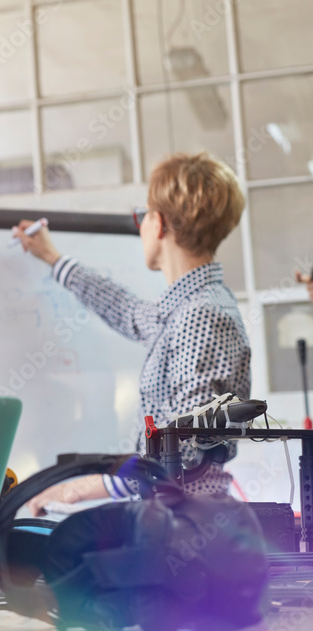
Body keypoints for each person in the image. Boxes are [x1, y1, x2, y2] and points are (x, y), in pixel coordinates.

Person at [13, 152, 250, 514]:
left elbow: (185, 447)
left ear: (159, 224)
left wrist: (92, 486)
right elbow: (127, 311)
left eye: (143, 215)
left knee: (63, 549)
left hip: (186, 525)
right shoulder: (187, 308)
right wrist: (53, 258)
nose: (141, 226)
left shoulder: (202, 314)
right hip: (172, 516)